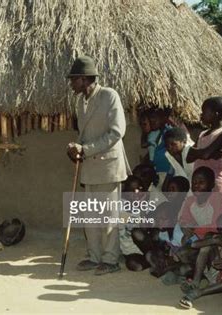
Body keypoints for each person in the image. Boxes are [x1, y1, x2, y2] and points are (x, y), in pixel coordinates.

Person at [66, 55, 131, 275]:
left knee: (109, 216)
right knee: (91, 216)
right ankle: (94, 257)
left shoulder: (109, 96)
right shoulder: (79, 102)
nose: (72, 83)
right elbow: (85, 135)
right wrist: (76, 147)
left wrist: (86, 149)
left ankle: (111, 260)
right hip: (90, 167)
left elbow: (116, 132)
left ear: (84, 79)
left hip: (108, 166)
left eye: (74, 79)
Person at [186, 97, 222, 197]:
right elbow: (188, 157)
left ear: (216, 114)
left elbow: (205, 155)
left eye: (204, 112)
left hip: (216, 180)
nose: (201, 115)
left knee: (215, 209)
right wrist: (207, 153)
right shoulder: (202, 134)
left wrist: (199, 153)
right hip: (199, 181)